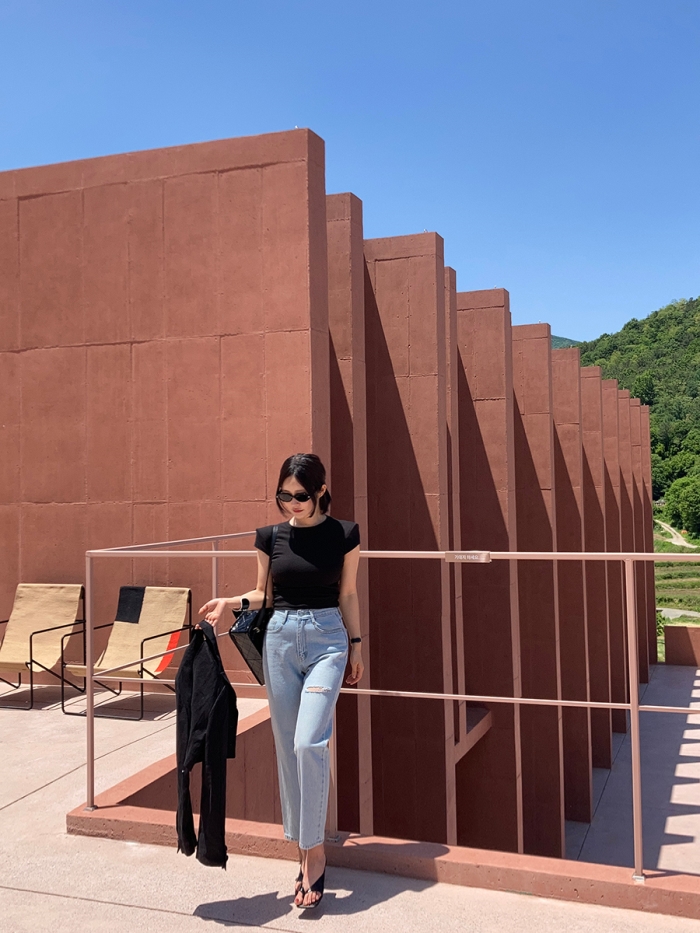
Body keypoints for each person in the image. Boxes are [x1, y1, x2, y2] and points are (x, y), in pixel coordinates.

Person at [199, 452, 364, 909]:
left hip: (328, 640)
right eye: (284, 495)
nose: (292, 503)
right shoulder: (269, 537)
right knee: (287, 748)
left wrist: (356, 645)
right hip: (280, 641)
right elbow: (263, 595)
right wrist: (230, 602)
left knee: (309, 743)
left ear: (321, 491)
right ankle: (304, 851)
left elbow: (348, 592)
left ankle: (315, 851)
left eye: (301, 495)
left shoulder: (345, 534)